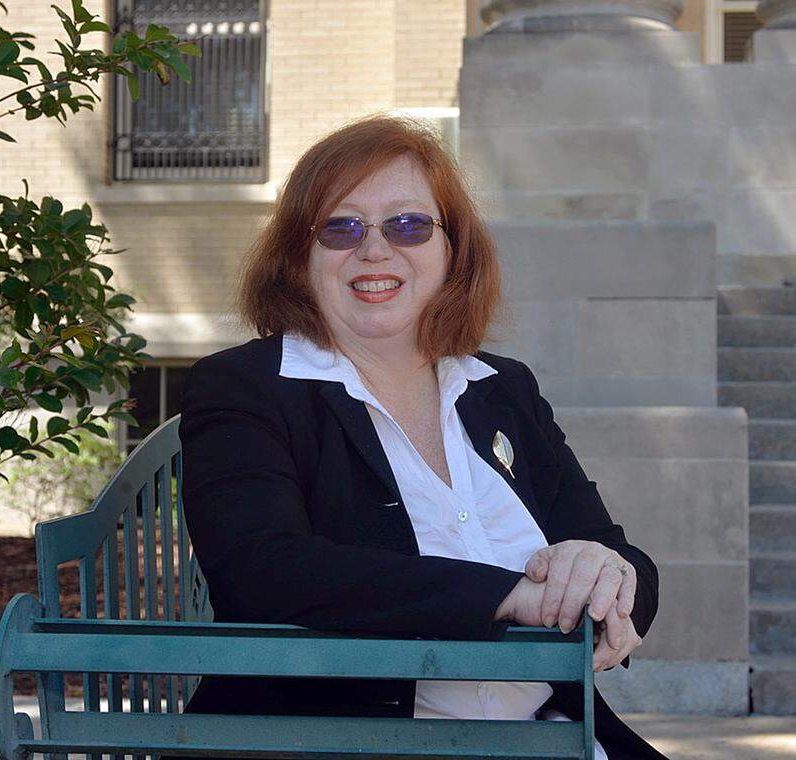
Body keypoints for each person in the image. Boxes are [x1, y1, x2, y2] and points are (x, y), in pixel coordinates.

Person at [178, 113, 667, 760]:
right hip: (344, 742)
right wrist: (509, 597)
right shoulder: (246, 387)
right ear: (298, 257)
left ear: (452, 249)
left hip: (548, 737)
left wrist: (609, 577)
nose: (375, 250)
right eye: (340, 228)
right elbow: (263, 570)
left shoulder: (502, 388)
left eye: (408, 225)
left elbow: (615, 552)